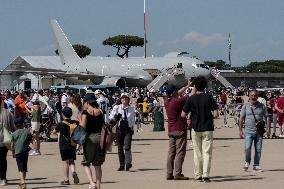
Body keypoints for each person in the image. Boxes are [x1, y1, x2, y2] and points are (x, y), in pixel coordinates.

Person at [181, 76, 219, 182]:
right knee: (207, 152)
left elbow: (183, 114)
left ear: (195, 86)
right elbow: (216, 114)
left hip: (195, 127)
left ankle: (198, 174)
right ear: (205, 86)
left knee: (197, 153)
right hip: (207, 127)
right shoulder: (209, 97)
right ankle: (205, 174)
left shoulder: (191, 98)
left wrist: (191, 114)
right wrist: (208, 115)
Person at [164, 82, 192, 180]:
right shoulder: (178, 101)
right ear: (173, 92)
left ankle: (169, 173)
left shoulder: (166, 101)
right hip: (180, 128)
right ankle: (177, 173)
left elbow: (178, 93)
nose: (177, 91)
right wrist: (196, 86)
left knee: (171, 152)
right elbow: (190, 95)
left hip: (171, 130)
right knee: (180, 152)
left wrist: (187, 86)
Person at [79, 94, 105, 189]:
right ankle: (98, 185)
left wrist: (79, 119)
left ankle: (91, 183)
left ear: (87, 102)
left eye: (84, 103)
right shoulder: (100, 111)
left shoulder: (85, 112)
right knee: (97, 164)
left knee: (86, 163)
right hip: (100, 137)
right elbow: (103, 125)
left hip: (89, 138)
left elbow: (83, 127)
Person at [239, 90, 267, 172]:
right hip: (248, 132)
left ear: (257, 96)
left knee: (258, 149)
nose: (253, 97)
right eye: (252, 95)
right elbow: (241, 118)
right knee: (247, 148)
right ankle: (247, 162)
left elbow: (267, 117)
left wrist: (268, 129)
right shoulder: (246, 106)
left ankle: (256, 165)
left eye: (255, 95)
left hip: (259, 132)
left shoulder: (262, 106)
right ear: (249, 96)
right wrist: (240, 130)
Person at [109, 92, 135, 171]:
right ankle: (122, 164)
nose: (124, 99)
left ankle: (128, 163)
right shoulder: (117, 107)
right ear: (120, 99)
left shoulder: (131, 109)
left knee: (127, 147)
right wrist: (116, 117)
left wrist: (132, 128)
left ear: (128, 99)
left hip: (128, 129)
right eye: (122, 98)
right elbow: (110, 117)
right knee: (120, 148)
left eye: (125, 98)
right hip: (119, 129)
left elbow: (132, 119)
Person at [54, 107, 80, 185]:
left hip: (64, 145)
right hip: (73, 144)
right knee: (71, 160)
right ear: (71, 114)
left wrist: (57, 133)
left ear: (62, 114)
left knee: (65, 162)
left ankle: (66, 180)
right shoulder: (75, 122)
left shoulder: (61, 124)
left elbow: (54, 131)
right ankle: (74, 172)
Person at [11, 117, 33, 189]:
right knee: (24, 168)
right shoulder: (27, 131)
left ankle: (23, 182)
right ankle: (21, 183)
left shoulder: (13, 134)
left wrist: (13, 152)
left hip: (18, 152)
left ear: (15, 125)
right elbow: (30, 140)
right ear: (23, 124)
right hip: (25, 152)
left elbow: (12, 145)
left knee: (20, 168)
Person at [0, 99, 15, 186]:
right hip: (5, 140)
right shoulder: (8, 113)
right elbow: (13, 128)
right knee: (2, 159)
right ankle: (3, 178)